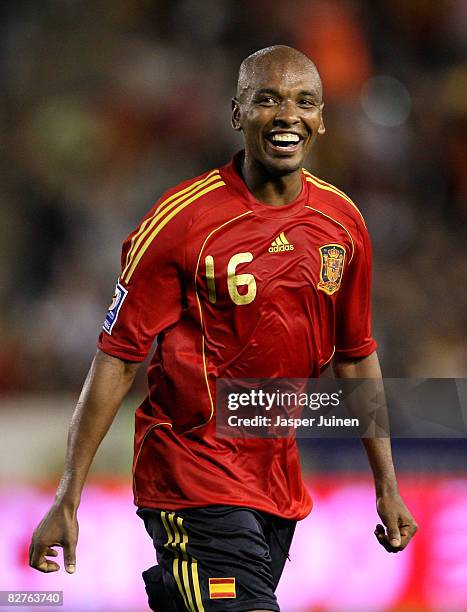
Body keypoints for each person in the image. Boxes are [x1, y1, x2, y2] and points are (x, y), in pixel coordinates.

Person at [29, 45, 417, 612]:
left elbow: (355, 355)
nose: (287, 115)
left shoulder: (343, 224)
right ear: (237, 114)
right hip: (191, 476)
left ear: (322, 120)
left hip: (276, 482)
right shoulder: (182, 221)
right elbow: (117, 356)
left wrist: (386, 483)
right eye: (267, 100)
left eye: (304, 101)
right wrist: (69, 494)